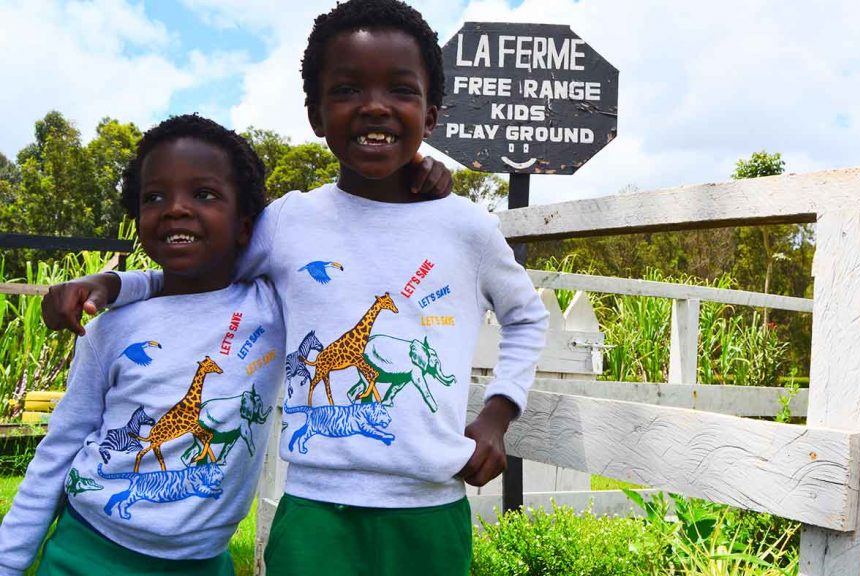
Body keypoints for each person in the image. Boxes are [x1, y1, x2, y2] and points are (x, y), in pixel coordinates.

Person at [42, 1, 548, 575]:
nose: (375, 105)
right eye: (348, 89)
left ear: (430, 116)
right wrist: (111, 283)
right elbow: (202, 277)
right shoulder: (288, 222)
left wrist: (497, 415)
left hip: (430, 505)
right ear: (315, 113)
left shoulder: (466, 227)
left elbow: (527, 317)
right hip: (313, 510)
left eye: (400, 91)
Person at [0, 114, 283, 576]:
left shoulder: (272, 308)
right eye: (154, 197)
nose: (175, 208)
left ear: (246, 225)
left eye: (204, 194)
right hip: (86, 553)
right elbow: (60, 448)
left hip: (202, 564)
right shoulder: (110, 329)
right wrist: (8, 563)